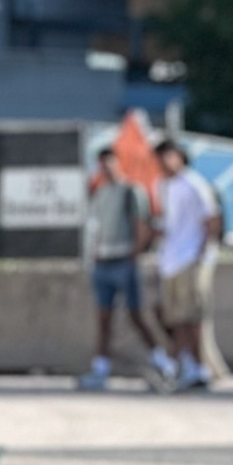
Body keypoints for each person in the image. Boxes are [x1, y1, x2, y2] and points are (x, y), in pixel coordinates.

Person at [78, 135, 173, 389]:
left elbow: (141, 225)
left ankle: (163, 363)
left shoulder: (131, 191)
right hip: (103, 263)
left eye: (110, 162)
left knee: (136, 315)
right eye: (102, 163)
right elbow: (95, 229)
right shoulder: (100, 194)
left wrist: (134, 254)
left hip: (124, 262)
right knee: (104, 318)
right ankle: (100, 369)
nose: (106, 168)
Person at [153, 135, 224, 391]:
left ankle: (200, 366)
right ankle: (185, 364)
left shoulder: (194, 183)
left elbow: (212, 220)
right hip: (170, 260)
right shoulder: (163, 186)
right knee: (174, 318)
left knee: (192, 316)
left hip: (191, 258)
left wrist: (202, 254)